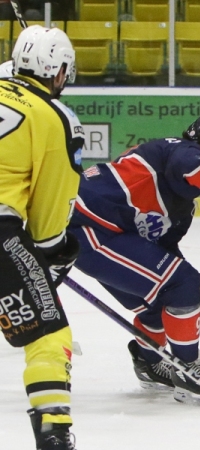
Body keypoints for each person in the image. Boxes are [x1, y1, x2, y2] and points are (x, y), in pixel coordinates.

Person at [68, 113, 200, 405]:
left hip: (109, 233)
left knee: (166, 296)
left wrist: (194, 294)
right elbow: (192, 165)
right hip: (87, 225)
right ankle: (188, 368)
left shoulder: (182, 209)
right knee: (180, 284)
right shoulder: (175, 149)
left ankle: (150, 363)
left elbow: (164, 252)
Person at [0, 25, 83, 449]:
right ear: (59, 70)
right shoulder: (54, 118)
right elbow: (53, 199)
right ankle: (53, 432)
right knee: (47, 335)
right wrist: (51, 249)